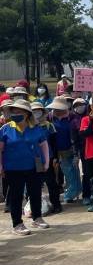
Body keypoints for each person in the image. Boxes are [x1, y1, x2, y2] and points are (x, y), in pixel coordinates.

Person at [0, 100, 51, 235]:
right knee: (16, 196)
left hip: (34, 166)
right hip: (12, 168)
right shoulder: (5, 129)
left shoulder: (36, 128)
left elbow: (44, 145)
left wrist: (46, 162)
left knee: (35, 192)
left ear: (27, 114)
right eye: (14, 112)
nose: (16, 114)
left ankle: (37, 218)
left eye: (19, 112)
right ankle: (17, 223)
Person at [31, 102, 63, 213]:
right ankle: (36, 207)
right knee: (36, 183)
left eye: (38, 110)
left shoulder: (49, 126)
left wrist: (56, 158)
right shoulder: (29, 127)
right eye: (34, 111)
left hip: (48, 158)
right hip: (35, 159)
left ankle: (56, 204)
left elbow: (55, 143)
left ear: (42, 112)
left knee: (51, 182)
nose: (36, 113)